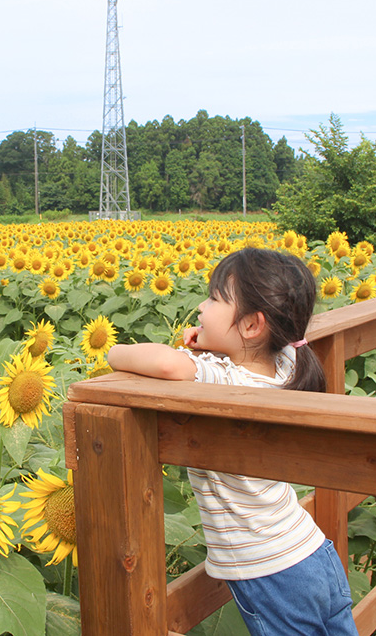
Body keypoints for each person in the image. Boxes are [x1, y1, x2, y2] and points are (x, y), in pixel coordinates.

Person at [107, 248, 358, 636]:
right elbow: (271, 344)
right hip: (312, 551)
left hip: (270, 571)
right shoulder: (287, 364)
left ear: (253, 326)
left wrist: (114, 351)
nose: (201, 307)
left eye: (213, 298)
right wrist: (215, 343)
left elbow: (167, 364)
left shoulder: (226, 381)